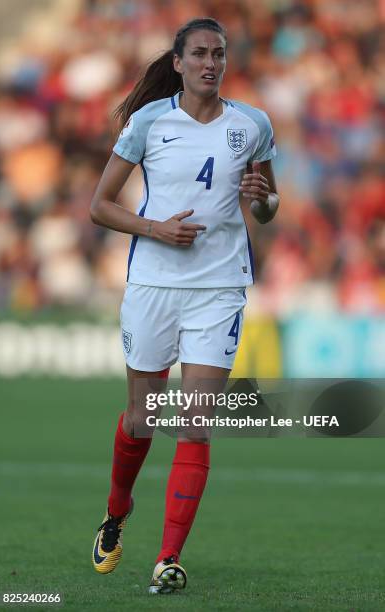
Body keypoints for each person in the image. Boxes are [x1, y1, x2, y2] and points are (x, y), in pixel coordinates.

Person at [90, 17, 278, 594]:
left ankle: (168, 558)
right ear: (178, 62)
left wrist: (263, 199)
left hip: (219, 287)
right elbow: (100, 206)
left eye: (219, 54)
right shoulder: (148, 122)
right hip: (152, 285)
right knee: (143, 418)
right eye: (199, 53)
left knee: (195, 425)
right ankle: (117, 512)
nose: (210, 63)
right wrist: (154, 228)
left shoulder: (253, 125)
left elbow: (268, 207)